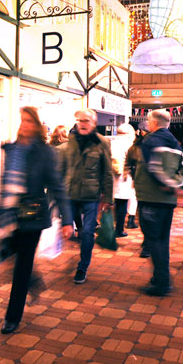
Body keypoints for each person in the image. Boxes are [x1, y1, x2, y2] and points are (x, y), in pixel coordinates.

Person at [0, 107, 74, 334]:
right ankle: (33, 280)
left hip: (32, 214)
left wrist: (67, 220)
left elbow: (57, 186)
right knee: (8, 255)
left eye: (29, 122)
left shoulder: (44, 152)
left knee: (21, 265)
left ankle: (13, 317)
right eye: (22, 121)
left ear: (37, 126)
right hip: (10, 213)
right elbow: (6, 184)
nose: (24, 125)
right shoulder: (12, 149)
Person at [133, 109, 183, 295]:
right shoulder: (176, 144)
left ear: (153, 122)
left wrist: (164, 183)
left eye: (148, 120)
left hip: (150, 198)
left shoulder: (150, 140)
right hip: (168, 201)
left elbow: (153, 167)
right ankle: (160, 279)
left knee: (153, 241)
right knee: (162, 241)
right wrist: (173, 184)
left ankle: (162, 283)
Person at [60, 109, 113, 283]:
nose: (82, 124)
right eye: (80, 120)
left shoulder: (102, 142)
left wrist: (108, 198)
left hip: (91, 194)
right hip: (70, 194)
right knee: (73, 229)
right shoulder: (69, 144)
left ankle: (82, 267)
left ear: (94, 123)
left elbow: (107, 171)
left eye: (86, 121)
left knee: (88, 233)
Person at [110, 123, 137, 239]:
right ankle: (119, 229)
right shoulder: (129, 144)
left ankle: (116, 227)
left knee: (116, 203)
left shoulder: (112, 142)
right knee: (123, 204)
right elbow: (134, 161)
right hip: (125, 177)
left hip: (112, 176)